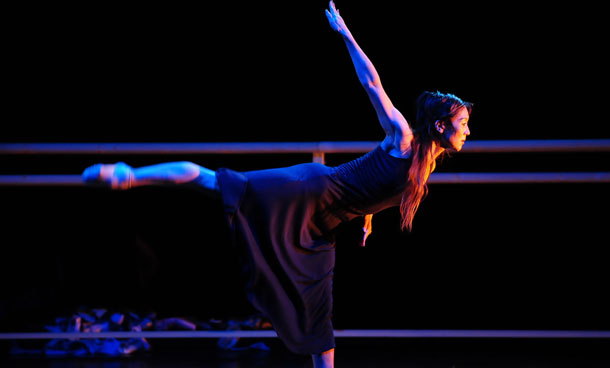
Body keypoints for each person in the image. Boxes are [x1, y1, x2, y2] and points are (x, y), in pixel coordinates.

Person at [82, 2, 471, 367]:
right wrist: (346, 34)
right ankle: (130, 175)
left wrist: (368, 218)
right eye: (463, 123)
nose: (467, 131)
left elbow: (378, 185)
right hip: (310, 190)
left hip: (325, 227)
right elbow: (373, 85)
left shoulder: (425, 164)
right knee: (219, 183)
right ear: (440, 126)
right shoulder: (403, 138)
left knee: (319, 315)